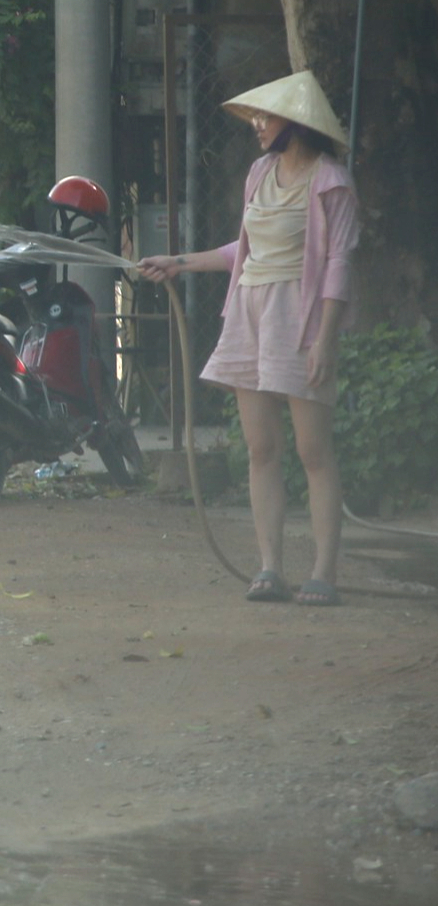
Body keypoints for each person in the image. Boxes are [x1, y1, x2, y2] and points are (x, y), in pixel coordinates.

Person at [137, 71, 358, 606]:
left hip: (299, 319)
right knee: (261, 449)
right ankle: (269, 569)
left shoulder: (332, 182)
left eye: (268, 116)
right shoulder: (259, 173)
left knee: (313, 451)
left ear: (297, 124)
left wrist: (325, 340)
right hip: (248, 314)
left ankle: (323, 573)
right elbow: (245, 250)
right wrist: (180, 262)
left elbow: (338, 266)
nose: (257, 125)